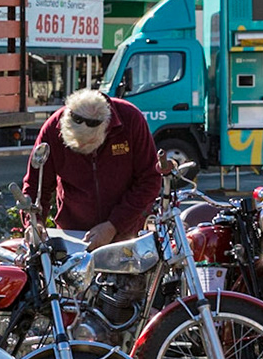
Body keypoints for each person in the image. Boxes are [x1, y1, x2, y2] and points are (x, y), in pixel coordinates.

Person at [22, 88, 161, 249]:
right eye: (75, 146)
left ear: (105, 128)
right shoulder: (52, 129)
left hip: (127, 234)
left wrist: (114, 224)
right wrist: (34, 223)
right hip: (73, 236)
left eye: (87, 144)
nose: (81, 149)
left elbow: (150, 180)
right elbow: (36, 185)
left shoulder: (130, 120)